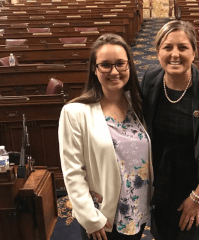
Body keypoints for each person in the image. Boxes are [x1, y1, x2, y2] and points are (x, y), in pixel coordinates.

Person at [140, 20, 199, 240]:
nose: (175, 54)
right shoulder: (150, 79)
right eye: (167, 47)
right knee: (160, 234)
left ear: (193, 52)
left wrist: (197, 197)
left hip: (196, 185)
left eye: (183, 47)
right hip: (161, 184)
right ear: (158, 52)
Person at [59, 33, 153, 240]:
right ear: (95, 69)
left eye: (120, 63)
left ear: (129, 65)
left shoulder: (138, 105)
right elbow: (72, 172)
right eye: (105, 65)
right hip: (103, 216)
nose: (114, 71)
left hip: (137, 210)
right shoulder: (75, 112)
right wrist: (90, 218)